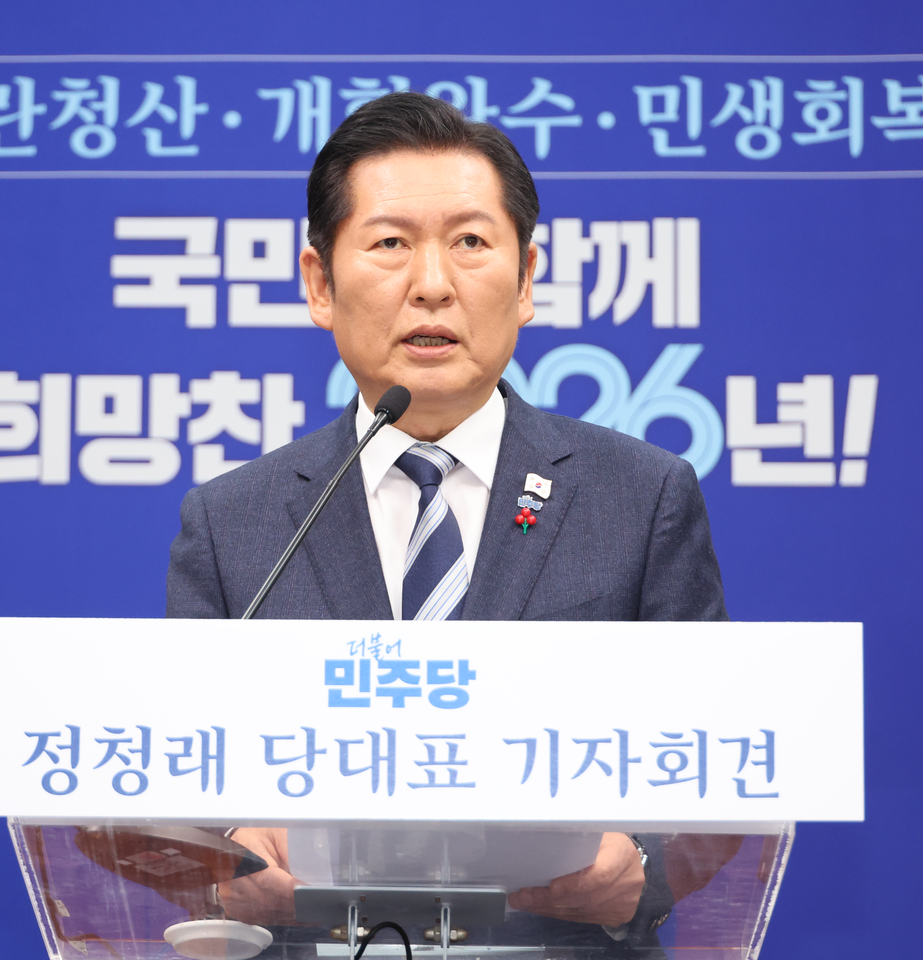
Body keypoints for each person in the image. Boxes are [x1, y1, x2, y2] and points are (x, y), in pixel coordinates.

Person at [166, 92, 733, 947]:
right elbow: (184, 775)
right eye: (390, 244)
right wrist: (230, 855)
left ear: (527, 278)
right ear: (319, 283)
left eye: (470, 242)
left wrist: (643, 867)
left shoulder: (640, 497)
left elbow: (719, 757)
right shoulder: (233, 523)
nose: (432, 284)